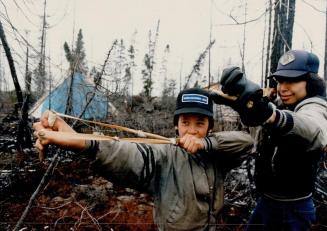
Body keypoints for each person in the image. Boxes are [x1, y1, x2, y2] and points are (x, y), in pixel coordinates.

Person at [33, 87, 254, 231]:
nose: (192, 131)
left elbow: (246, 141)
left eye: (200, 123)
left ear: (210, 127)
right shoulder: (164, 155)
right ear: (176, 125)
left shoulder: (216, 155)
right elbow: (122, 153)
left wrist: (206, 143)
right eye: (185, 122)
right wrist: (69, 137)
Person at [212, 50, 327, 231]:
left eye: (292, 80)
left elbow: (314, 131)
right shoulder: (281, 104)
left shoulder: (316, 107)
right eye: (280, 80)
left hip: (294, 209)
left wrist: (272, 115)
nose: (283, 87)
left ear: (311, 81)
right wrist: (245, 105)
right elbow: (258, 120)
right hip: (267, 202)